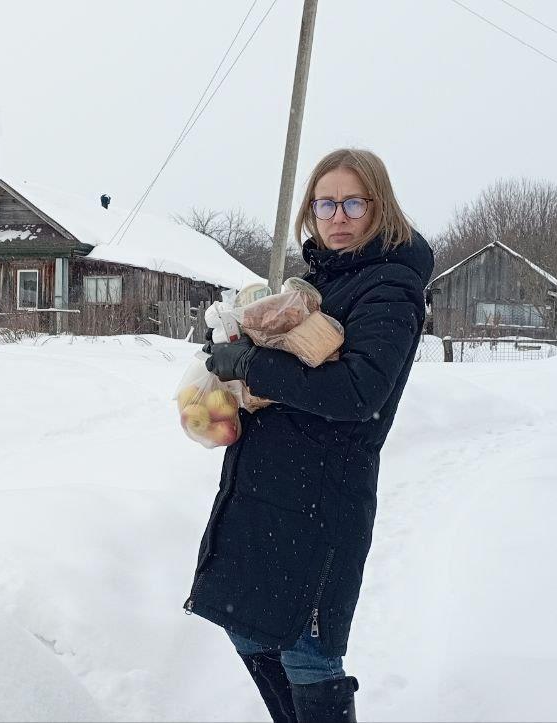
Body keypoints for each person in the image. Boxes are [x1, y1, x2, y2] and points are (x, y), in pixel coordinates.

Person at [186, 148, 434, 723]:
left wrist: (253, 365)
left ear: (379, 207)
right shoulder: (320, 281)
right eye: (326, 204)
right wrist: (234, 353)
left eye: (353, 203)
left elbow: (359, 393)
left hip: (323, 497)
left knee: (308, 650)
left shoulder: (389, 287)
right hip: (267, 490)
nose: (337, 216)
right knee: (247, 625)